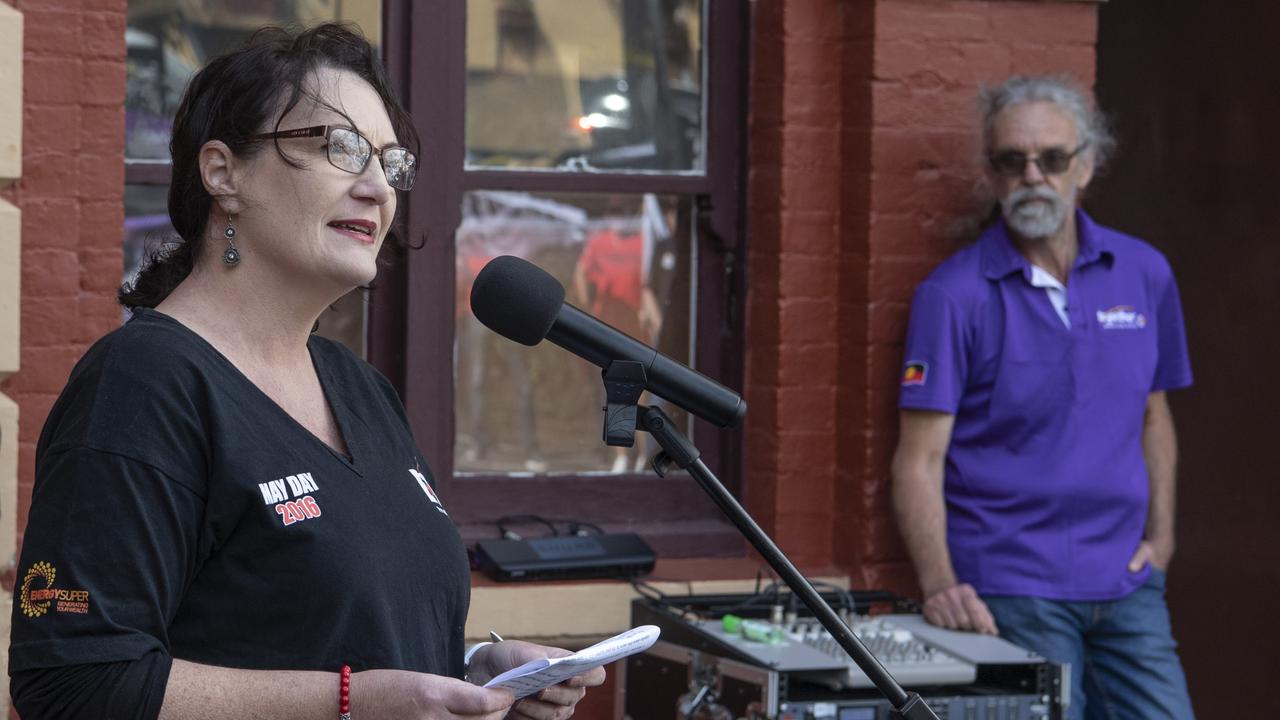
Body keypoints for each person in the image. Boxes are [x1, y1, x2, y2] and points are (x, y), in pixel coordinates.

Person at [8, 24, 603, 720]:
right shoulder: (145, 385)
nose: (378, 187)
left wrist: (477, 668)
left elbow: (333, 633)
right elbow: (73, 683)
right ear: (223, 172)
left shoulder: (360, 387)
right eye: (340, 147)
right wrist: (349, 702)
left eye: (391, 163)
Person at [890, 75, 1195, 719]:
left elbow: (1153, 411)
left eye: (1052, 159)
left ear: (1086, 164)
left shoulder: (1145, 273)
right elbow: (919, 457)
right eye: (1011, 161)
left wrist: (1162, 537)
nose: (1033, 176)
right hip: (1012, 587)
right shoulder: (954, 295)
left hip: (1128, 582)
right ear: (993, 174)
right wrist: (940, 581)